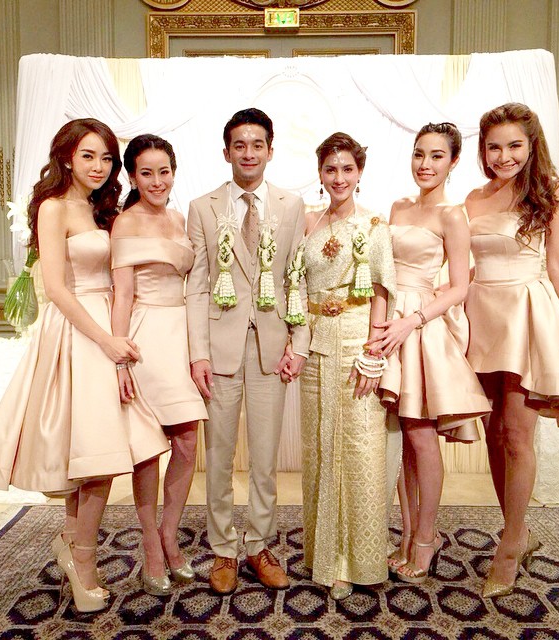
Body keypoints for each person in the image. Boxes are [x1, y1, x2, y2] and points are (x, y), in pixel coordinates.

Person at [0, 119, 169, 613]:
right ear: (66, 157)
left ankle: (71, 541)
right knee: (96, 455)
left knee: (94, 452)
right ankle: (82, 562)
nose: (99, 166)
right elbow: (57, 289)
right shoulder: (54, 207)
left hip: (107, 326)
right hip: (77, 332)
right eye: (88, 155)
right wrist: (106, 340)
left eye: (106, 158)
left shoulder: (102, 207)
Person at [465, 103, 559, 598]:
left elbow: (558, 264)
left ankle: (509, 547)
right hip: (482, 316)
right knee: (492, 431)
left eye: (514, 145)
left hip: (527, 316)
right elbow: (466, 264)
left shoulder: (549, 191)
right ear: (483, 150)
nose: (503, 156)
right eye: (494, 146)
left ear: (531, 146)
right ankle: (519, 530)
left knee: (517, 435)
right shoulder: (473, 198)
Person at [186, 108, 310, 595]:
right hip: (219, 349)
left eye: (257, 144)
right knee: (218, 456)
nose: (249, 153)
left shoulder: (290, 205)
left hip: (271, 348)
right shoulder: (202, 207)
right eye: (239, 145)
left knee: (265, 456)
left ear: (270, 150)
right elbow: (197, 286)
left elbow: (296, 277)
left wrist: (300, 342)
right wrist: (198, 353)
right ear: (226, 152)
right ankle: (223, 549)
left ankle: (258, 544)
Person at [368, 122, 491, 584]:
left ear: (453, 162)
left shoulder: (452, 216)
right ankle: (407, 533)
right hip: (389, 322)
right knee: (400, 436)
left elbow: (459, 287)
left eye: (436, 156)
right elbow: (383, 273)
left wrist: (411, 321)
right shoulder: (398, 207)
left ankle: (425, 538)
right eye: (419, 154)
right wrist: (380, 326)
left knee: (420, 436)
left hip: (420, 324)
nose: (425, 164)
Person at [110, 134, 209, 596]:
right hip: (145, 337)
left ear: (173, 173)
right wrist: (120, 359)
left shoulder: (178, 218)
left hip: (181, 332)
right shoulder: (125, 224)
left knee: (187, 442)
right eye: (146, 173)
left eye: (163, 171)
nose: (156, 181)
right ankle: (151, 544)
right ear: (132, 176)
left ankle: (170, 534)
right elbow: (123, 295)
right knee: (150, 449)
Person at [300, 132, 396, 600]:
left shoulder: (374, 225)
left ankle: (357, 561)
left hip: (358, 341)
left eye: (347, 169)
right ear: (320, 173)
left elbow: (381, 291)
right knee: (319, 448)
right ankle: (324, 557)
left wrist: (373, 352)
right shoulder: (309, 222)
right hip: (316, 342)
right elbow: (298, 286)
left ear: (360, 173)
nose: (338, 178)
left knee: (360, 449)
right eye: (330, 169)